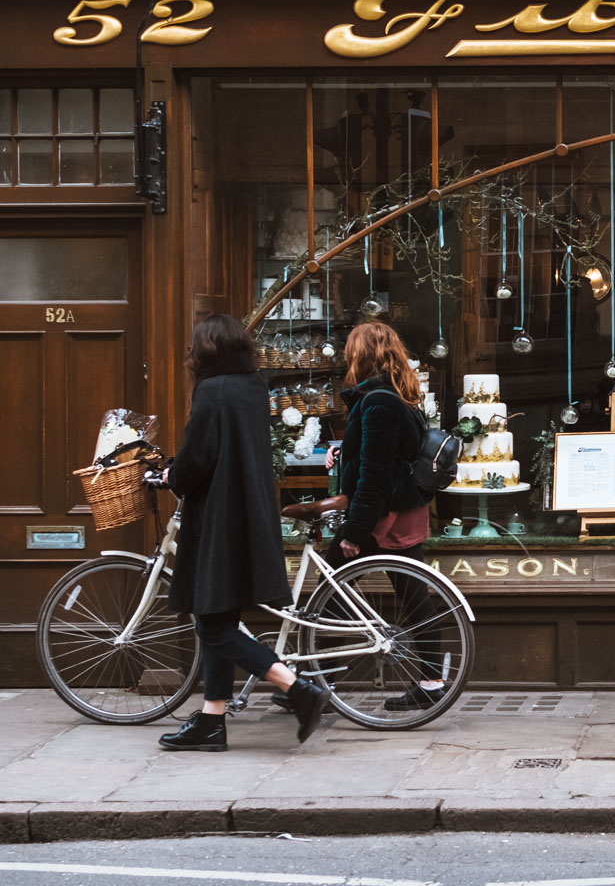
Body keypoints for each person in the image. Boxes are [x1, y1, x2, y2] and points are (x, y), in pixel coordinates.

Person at [158, 314, 331, 751]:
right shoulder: (253, 385)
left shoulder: (212, 389)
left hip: (219, 518)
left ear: (206, 349)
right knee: (219, 616)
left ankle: (296, 687)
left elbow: (198, 457)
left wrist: (172, 474)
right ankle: (211, 720)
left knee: (212, 622)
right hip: (248, 513)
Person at [329, 322, 445, 712]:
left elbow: (376, 473)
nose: (346, 356)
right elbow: (388, 454)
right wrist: (343, 452)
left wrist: (355, 531)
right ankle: (431, 682)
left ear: (362, 356)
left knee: (331, 592)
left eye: (350, 350)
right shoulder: (396, 396)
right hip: (402, 513)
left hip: (382, 518)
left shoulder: (378, 402)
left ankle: (316, 685)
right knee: (414, 596)